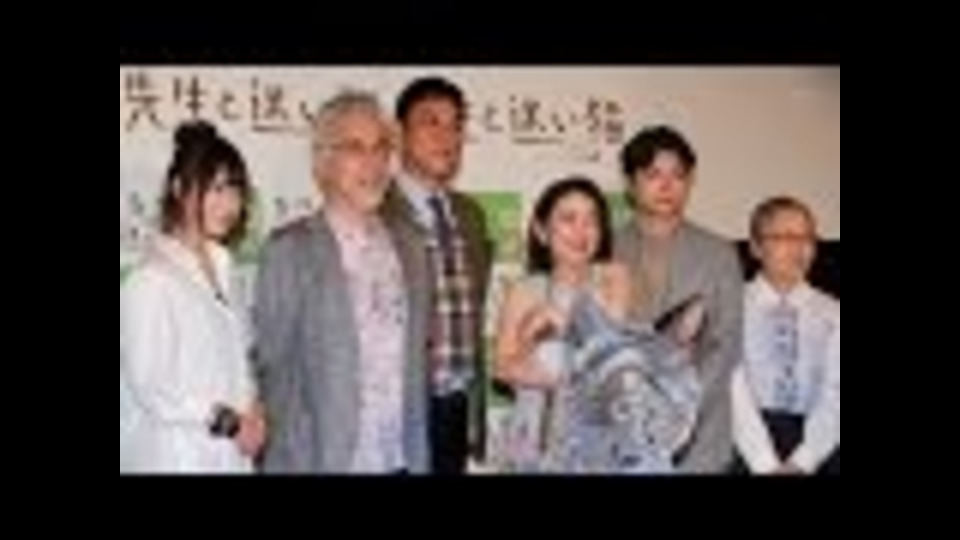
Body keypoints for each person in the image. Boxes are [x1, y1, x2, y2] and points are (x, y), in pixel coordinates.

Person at [252, 90, 432, 474]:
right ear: (323, 162)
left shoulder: (413, 246)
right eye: (355, 148)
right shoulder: (290, 250)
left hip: (400, 458)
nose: (373, 163)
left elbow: (417, 366)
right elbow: (272, 370)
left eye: (381, 148)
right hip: (320, 458)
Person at [120, 120, 265, 473]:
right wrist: (230, 422)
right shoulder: (151, 280)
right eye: (216, 189)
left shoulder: (228, 272)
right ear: (178, 189)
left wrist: (254, 409)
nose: (229, 204)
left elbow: (240, 361)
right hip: (174, 456)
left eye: (236, 190)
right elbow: (152, 388)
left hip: (230, 457)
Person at [613, 125, 744, 473]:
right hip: (621, 433)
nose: (667, 186)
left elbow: (727, 345)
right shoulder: (604, 251)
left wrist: (677, 403)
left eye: (678, 175)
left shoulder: (719, 253)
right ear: (630, 183)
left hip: (699, 437)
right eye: (653, 174)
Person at [382, 76, 494, 474]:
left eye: (455, 125)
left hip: (457, 402)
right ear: (399, 134)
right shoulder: (376, 210)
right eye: (431, 122)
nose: (447, 137)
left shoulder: (470, 215)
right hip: (399, 404)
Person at [732, 196, 839, 475]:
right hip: (744, 434)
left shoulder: (833, 312)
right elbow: (732, 387)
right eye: (784, 237)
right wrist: (765, 464)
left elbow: (835, 393)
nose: (799, 249)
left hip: (818, 437)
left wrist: (803, 461)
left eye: (807, 238)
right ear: (756, 248)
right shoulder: (730, 305)